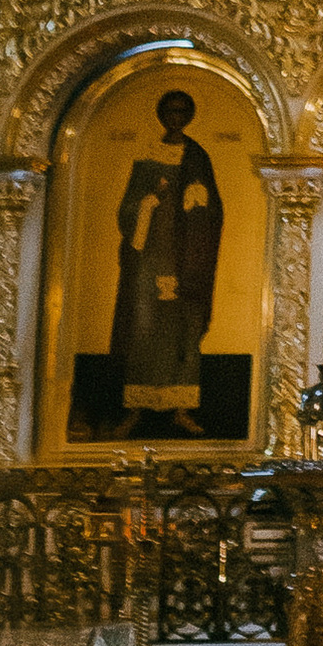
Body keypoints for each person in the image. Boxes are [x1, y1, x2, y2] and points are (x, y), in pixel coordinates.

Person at [106, 85, 224, 431]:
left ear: (189, 116)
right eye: (170, 111)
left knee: (184, 330)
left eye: (181, 112)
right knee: (144, 328)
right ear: (161, 114)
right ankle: (136, 409)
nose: (175, 118)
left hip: (187, 259)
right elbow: (126, 211)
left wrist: (198, 203)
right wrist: (149, 201)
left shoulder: (197, 156)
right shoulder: (146, 156)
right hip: (151, 255)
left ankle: (181, 410)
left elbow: (213, 210)